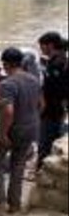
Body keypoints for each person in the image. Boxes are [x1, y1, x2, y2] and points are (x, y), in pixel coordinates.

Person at [0, 47, 41, 216]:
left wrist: (2, 133)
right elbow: (42, 104)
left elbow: (8, 111)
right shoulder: (34, 80)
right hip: (30, 128)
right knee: (18, 165)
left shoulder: (7, 84)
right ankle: (15, 205)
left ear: (5, 64)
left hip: (13, 129)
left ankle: (0, 205)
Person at [37, 32, 69, 171]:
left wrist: (41, 108)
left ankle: (41, 172)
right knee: (51, 143)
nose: (41, 49)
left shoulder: (55, 65)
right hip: (58, 111)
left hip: (51, 112)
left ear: (50, 45)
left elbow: (54, 90)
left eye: (42, 46)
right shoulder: (57, 62)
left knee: (44, 144)